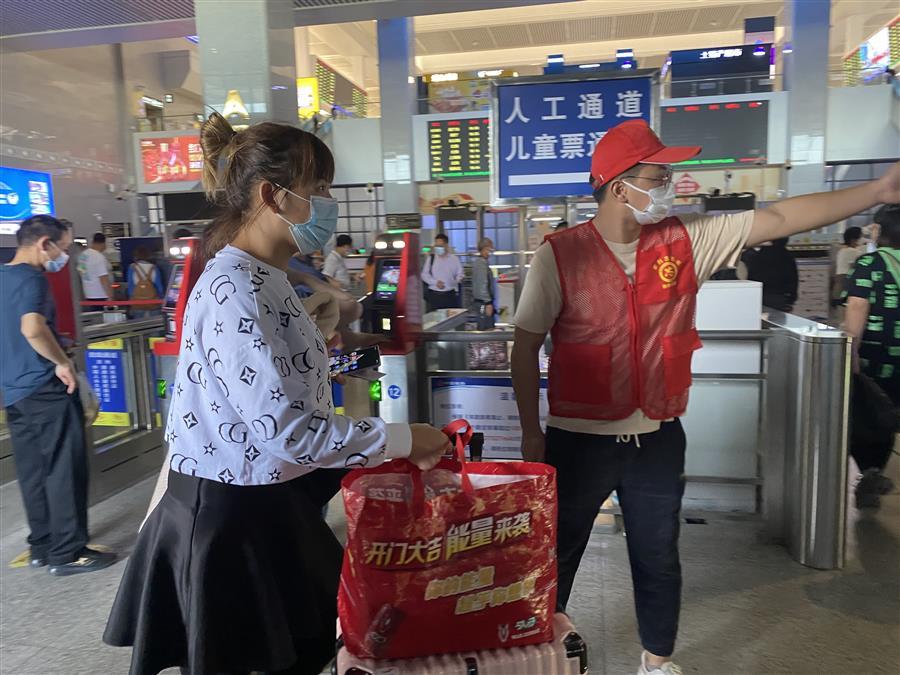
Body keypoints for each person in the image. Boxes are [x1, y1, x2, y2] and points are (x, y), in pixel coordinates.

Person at [510, 119, 900, 675]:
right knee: (557, 555)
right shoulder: (561, 255)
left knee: (658, 556)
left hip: (657, 437)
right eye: (659, 176)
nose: (669, 185)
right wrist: (532, 432)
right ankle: (540, 656)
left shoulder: (684, 239)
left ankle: (657, 661)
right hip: (579, 440)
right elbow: (525, 347)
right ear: (621, 187)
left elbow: (780, 218)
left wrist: (877, 190)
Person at [104, 112, 449, 675]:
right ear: (272, 195)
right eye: (319, 189)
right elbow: (288, 431)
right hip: (231, 518)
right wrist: (406, 438)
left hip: (268, 503)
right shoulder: (235, 287)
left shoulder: (270, 278)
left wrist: (345, 354)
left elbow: (278, 383)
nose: (329, 203)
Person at [0, 215, 117, 576]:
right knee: (63, 468)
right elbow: (32, 328)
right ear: (43, 244)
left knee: (32, 470)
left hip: (15, 392)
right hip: (45, 388)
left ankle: (42, 545)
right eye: (62, 249)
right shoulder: (32, 278)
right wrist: (61, 361)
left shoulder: (2, 277)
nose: (63, 257)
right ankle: (68, 552)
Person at [844, 204, 900, 508]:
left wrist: (850, 350)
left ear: (878, 230)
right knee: (889, 413)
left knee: (872, 414)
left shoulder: (870, 263)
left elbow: (857, 306)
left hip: (877, 355)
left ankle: (871, 472)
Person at [742, 237, 799, 312]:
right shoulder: (785, 254)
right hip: (778, 295)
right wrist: (791, 296)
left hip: (757, 294)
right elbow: (792, 277)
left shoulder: (751, 255)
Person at [422, 233, 464, 311]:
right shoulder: (431, 258)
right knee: (434, 317)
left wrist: (456, 281)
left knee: (451, 316)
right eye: (436, 246)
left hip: (450, 295)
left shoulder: (454, 259)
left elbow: (460, 273)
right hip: (434, 296)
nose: (438, 248)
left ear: (446, 245)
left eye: (440, 246)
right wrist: (435, 282)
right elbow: (424, 275)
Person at [77, 232, 114, 301]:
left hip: (88, 294)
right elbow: (103, 278)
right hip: (101, 295)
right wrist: (110, 296)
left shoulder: (83, 255)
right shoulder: (99, 257)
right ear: (103, 243)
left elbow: (81, 272)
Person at [833, 226, 864, 305]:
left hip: (838, 284)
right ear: (853, 240)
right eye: (860, 237)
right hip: (846, 283)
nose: (862, 240)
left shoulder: (841, 251)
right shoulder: (854, 252)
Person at [471, 237, 496, 329]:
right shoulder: (481, 264)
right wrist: (488, 303)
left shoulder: (480, 262)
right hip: (483, 303)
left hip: (481, 302)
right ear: (485, 248)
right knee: (486, 328)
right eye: (490, 249)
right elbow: (483, 284)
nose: (491, 252)